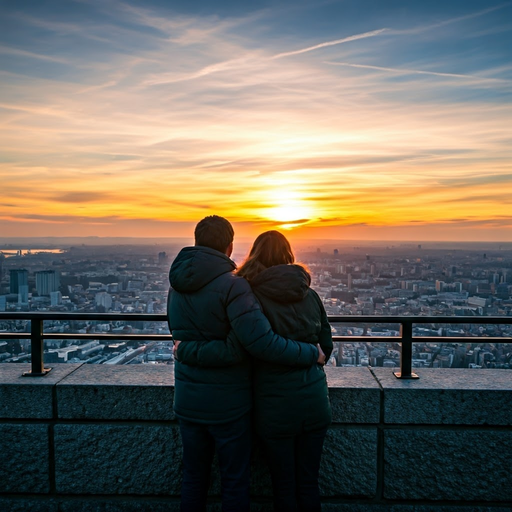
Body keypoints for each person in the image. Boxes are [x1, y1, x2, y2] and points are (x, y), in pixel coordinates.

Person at [167, 216, 324, 512]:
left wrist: (186, 350)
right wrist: (310, 353)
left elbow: (178, 339)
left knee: (193, 479)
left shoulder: (175, 287)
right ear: (229, 247)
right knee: (235, 482)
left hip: (187, 401)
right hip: (228, 404)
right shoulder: (234, 287)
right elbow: (247, 347)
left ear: (197, 241)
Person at [236, 230, 332, 512]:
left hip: (275, 406)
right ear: (289, 256)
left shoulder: (251, 296)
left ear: (256, 255)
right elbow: (326, 348)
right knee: (309, 483)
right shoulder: (310, 294)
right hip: (315, 404)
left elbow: (254, 348)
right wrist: (310, 355)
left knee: (284, 487)